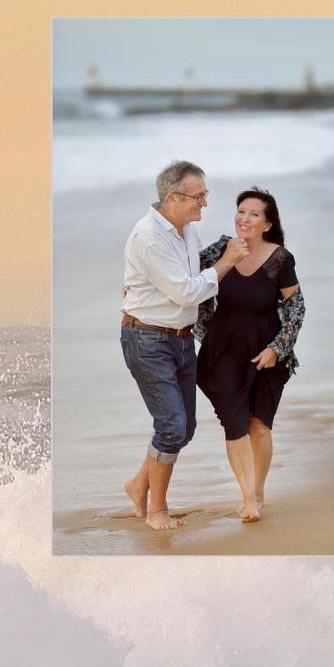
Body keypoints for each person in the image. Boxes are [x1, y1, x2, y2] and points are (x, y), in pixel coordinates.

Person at [119, 160, 248, 530]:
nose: (205, 202)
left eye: (205, 195)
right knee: (172, 426)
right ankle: (157, 510)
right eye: (199, 196)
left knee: (184, 427)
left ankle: (138, 484)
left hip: (180, 339)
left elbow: (192, 271)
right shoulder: (148, 236)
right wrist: (227, 262)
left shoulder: (185, 228)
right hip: (147, 338)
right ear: (173, 197)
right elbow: (186, 291)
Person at [194, 187, 306, 523]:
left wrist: (277, 348)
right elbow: (180, 272)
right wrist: (138, 283)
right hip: (223, 347)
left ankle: (257, 490)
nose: (245, 218)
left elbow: (297, 307)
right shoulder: (221, 248)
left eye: (254, 214)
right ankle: (247, 499)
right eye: (241, 211)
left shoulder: (280, 259)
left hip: (265, 350)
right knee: (234, 422)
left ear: (267, 223)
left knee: (259, 425)